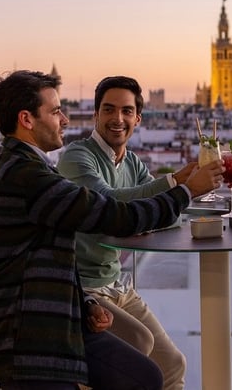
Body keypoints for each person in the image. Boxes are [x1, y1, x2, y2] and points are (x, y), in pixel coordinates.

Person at [0, 70, 222, 390]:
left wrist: (86, 304)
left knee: (156, 369)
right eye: (56, 111)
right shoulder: (28, 177)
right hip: (24, 333)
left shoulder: (25, 168)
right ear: (27, 119)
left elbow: (42, 260)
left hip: (45, 313)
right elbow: (115, 215)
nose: (65, 120)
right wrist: (185, 191)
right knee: (143, 375)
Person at [57, 76, 189, 390]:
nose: (118, 118)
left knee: (172, 365)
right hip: (84, 289)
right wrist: (175, 184)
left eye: (127, 111)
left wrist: (147, 215)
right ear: (95, 115)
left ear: (138, 118)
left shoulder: (131, 163)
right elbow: (110, 205)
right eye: (109, 109)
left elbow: (164, 213)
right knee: (139, 347)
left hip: (118, 285)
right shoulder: (77, 157)